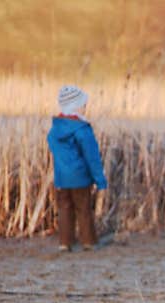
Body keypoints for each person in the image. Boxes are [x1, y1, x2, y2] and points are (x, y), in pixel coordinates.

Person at [46, 85, 108, 252]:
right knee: (83, 209)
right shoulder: (82, 129)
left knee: (64, 209)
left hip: (61, 178)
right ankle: (88, 241)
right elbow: (92, 157)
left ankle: (65, 243)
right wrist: (100, 180)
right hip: (80, 177)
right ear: (76, 106)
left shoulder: (54, 130)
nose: (85, 108)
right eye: (83, 105)